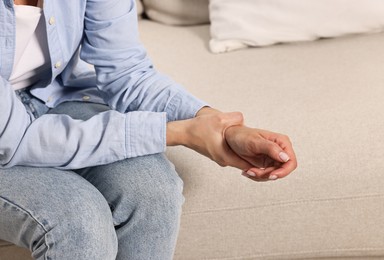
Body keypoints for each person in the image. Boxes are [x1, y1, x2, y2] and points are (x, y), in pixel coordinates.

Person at [0, 0, 297, 259]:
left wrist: (221, 127)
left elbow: (128, 74)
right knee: (78, 220)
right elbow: (19, 137)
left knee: (154, 191)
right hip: (9, 133)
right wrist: (178, 132)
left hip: (49, 97)